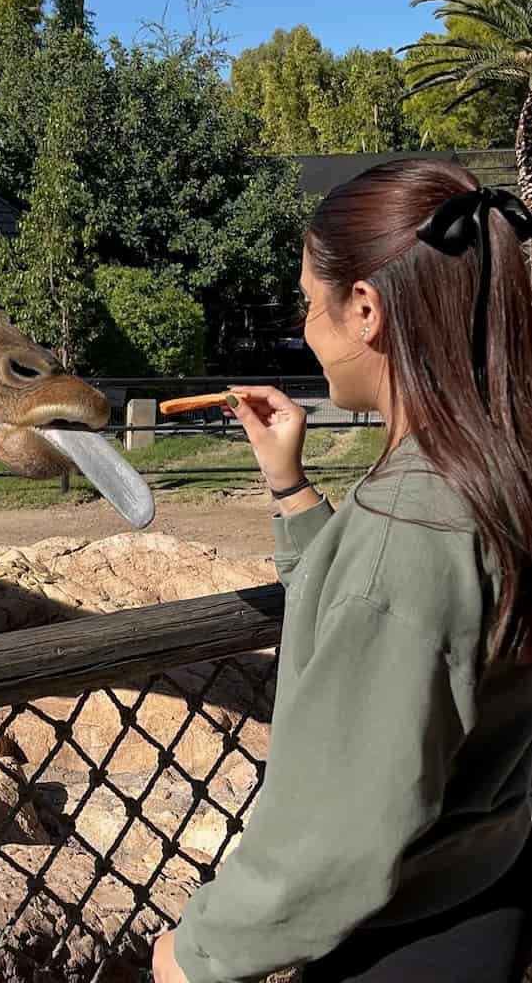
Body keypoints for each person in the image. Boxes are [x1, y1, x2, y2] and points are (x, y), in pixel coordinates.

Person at [152, 159, 532, 983]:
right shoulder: (497, 474)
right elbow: (397, 622)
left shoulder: (414, 522)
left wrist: (197, 952)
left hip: (400, 938)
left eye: (306, 302)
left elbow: (339, 833)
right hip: (488, 889)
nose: (303, 328)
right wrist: (290, 490)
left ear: (364, 309)